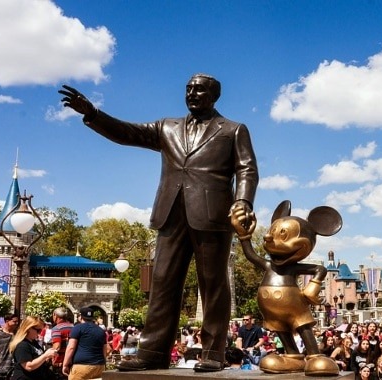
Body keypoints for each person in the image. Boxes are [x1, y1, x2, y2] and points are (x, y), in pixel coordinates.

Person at [59, 73, 258, 373]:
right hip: (170, 213)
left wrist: (242, 201)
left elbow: (247, 169)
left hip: (212, 215)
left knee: (214, 286)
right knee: (163, 283)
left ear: (214, 96)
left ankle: (213, 352)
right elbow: (129, 133)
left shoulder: (232, 130)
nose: (191, 93)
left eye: (199, 89)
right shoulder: (168, 127)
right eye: (188, 88)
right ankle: (152, 351)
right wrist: (93, 114)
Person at [61, 307, 110, 380]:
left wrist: (65, 364)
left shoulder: (77, 328)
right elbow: (104, 349)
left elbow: (71, 347)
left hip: (81, 366)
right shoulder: (101, 331)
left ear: (80, 316)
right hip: (99, 365)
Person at [0, 314, 19, 380]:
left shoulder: (18, 335)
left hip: (14, 368)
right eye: (14, 321)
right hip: (1, 368)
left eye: (17, 321)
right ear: (7, 321)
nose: (16, 323)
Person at [50, 308, 73, 379]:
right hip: (72, 359)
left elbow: (57, 347)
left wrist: (52, 358)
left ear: (55, 315)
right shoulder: (73, 327)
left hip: (60, 361)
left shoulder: (56, 328)